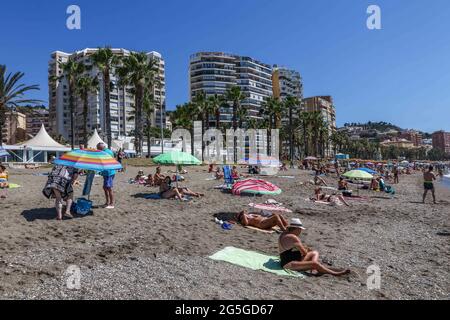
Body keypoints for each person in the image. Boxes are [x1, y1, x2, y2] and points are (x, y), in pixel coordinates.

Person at [278, 218, 350, 276]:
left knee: (314, 252)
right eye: (300, 230)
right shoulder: (293, 237)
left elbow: (290, 248)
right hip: (289, 264)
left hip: (289, 260)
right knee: (314, 263)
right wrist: (306, 249)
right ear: (297, 229)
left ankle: (315, 269)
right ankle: (335, 273)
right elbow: (305, 253)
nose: (300, 232)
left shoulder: (283, 234)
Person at [97, 143, 116, 209]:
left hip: (109, 172)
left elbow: (104, 162)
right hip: (108, 172)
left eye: (98, 148)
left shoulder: (105, 152)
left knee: (109, 188)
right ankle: (107, 202)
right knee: (105, 188)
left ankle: (111, 203)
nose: (98, 150)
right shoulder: (107, 151)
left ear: (101, 147)